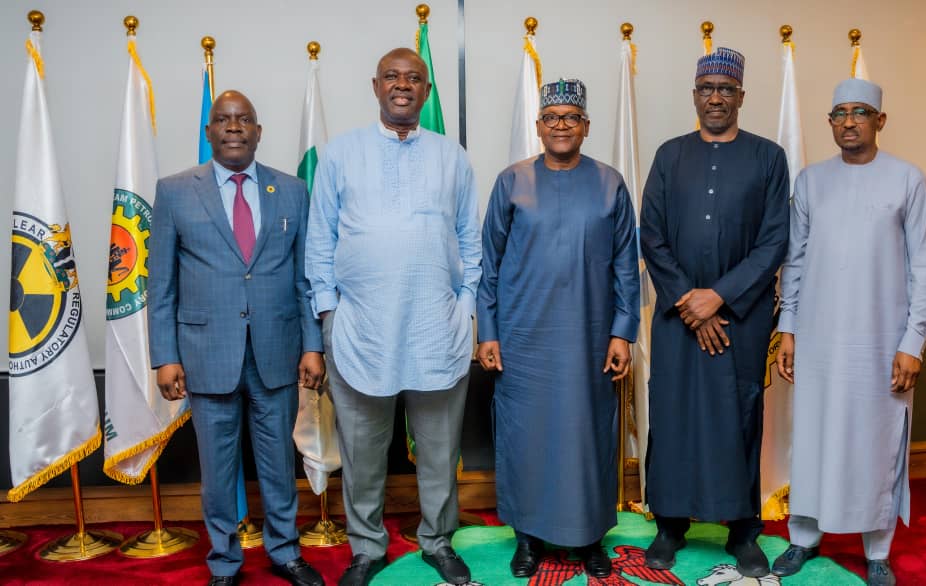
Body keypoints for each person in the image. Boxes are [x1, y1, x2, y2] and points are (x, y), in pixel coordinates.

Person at [306, 48, 480, 586]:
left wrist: (465, 307)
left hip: (436, 327)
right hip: (361, 328)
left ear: (426, 91)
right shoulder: (341, 153)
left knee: (439, 449)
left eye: (413, 78)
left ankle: (438, 540)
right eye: (391, 77)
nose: (402, 85)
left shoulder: (453, 157)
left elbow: (469, 239)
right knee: (361, 451)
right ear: (375, 86)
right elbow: (320, 240)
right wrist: (329, 314)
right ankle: (366, 548)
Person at [148, 90, 325, 586]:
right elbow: (160, 284)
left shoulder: (291, 190)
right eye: (223, 120)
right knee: (218, 471)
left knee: (278, 465)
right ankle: (224, 562)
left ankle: (285, 552)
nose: (233, 127)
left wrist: (313, 345)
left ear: (258, 131)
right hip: (207, 354)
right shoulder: (175, 191)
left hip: (276, 352)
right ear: (209, 132)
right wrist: (164, 355)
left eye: (243, 119)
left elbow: (304, 278)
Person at [771, 78, 926, 586]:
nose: (848, 122)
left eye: (860, 112)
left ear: (879, 120)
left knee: (875, 441)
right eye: (839, 113)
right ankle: (803, 538)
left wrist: (913, 342)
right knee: (812, 437)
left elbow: (923, 267)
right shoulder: (811, 181)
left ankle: (877, 550)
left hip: (881, 341)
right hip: (817, 337)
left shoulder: (907, 179)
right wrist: (789, 328)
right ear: (830, 122)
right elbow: (795, 261)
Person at [476, 79, 640, 579]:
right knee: (527, 439)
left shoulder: (610, 183)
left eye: (571, 117)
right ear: (539, 126)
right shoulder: (511, 181)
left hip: (589, 338)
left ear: (586, 126)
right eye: (552, 118)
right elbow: (489, 264)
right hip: (523, 340)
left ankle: (589, 538)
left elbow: (625, 265)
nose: (561, 125)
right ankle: (527, 538)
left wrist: (622, 332)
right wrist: (488, 331)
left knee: (587, 437)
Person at [639, 48, 790, 578]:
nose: (717, 98)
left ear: (741, 96)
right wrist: (692, 303)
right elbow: (651, 234)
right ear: (695, 96)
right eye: (707, 89)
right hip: (679, 319)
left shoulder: (768, 158)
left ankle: (743, 529)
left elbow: (774, 241)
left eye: (727, 89)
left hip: (740, 320)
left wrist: (719, 297)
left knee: (738, 416)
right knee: (673, 414)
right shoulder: (669, 154)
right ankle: (669, 525)